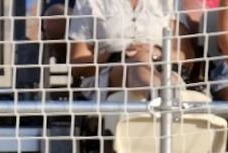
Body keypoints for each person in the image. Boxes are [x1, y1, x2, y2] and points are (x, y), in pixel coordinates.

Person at [43, 0, 183, 98]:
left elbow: (184, 56)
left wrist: (156, 52)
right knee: (137, 62)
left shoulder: (168, 2)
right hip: (110, 71)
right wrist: (116, 55)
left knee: (145, 60)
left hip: (160, 66)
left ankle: (159, 96)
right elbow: (77, 65)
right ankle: (163, 98)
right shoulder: (89, 2)